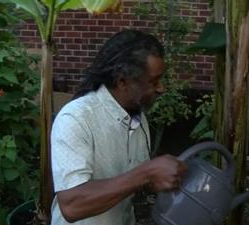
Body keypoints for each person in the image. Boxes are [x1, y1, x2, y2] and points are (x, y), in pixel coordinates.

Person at [50, 29, 188, 225]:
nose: (161, 88)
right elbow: (72, 205)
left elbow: (132, 180)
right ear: (123, 81)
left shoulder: (138, 118)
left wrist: (159, 177)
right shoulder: (75, 118)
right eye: (153, 81)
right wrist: (147, 173)